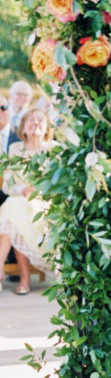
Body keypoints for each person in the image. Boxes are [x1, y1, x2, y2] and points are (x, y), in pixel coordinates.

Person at [0, 108, 53, 294]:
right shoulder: (15, 149)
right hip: (19, 201)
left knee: (12, 210)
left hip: (44, 204)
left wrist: (38, 191)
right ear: (23, 126)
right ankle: (18, 276)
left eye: (40, 120)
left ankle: (16, 276)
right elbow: (7, 184)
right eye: (31, 120)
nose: (35, 123)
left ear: (47, 127)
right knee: (15, 209)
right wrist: (22, 189)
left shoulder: (54, 149)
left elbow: (59, 184)